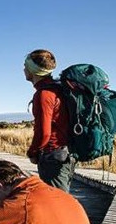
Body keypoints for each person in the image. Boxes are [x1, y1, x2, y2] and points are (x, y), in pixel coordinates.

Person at [24, 48, 76, 192]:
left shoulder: (44, 95)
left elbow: (44, 133)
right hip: (64, 152)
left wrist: (33, 152)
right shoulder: (56, 88)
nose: (23, 69)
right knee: (60, 198)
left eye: (25, 65)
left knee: (57, 201)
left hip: (53, 155)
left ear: (33, 70)